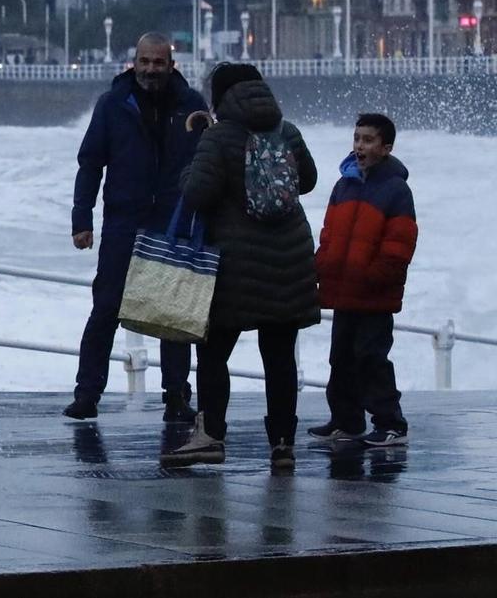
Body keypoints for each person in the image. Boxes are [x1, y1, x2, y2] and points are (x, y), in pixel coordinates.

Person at [161, 62, 318, 471]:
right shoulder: (287, 131)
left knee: (213, 352)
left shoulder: (218, 136)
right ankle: (282, 444)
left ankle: (211, 435)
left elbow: (198, 193)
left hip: (235, 265)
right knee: (279, 356)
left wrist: (190, 166)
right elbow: (308, 180)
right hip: (290, 259)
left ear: (219, 97)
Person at [66, 32, 206, 422]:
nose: (150, 70)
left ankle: (176, 397)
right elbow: (90, 162)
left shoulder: (192, 105)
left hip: (173, 222)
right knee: (106, 308)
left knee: (172, 315)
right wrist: (81, 218)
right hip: (123, 222)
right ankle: (87, 395)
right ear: (134, 62)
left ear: (171, 65)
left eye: (158, 63)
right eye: (144, 61)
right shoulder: (113, 104)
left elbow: (209, 164)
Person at [309, 112, 416, 448]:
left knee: (371, 358)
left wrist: (375, 276)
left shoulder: (396, 190)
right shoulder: (344, 185)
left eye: (368, 140)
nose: (359, 146)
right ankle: (347, 420)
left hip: (374, 293)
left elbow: (400, 244)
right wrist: (321, 268)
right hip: (344, 290)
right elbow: (328, 235)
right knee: (340, 357)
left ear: (386, 147)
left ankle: (391, 423)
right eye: (357, 138)